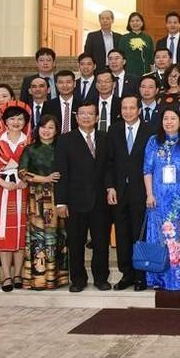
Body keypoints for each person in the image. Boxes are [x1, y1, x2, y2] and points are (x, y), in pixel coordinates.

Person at [54, 101, 111, 292]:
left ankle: (101, 278)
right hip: (74, 201)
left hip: (101, 201)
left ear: (97, 117)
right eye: (82, 113)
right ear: (76, 117)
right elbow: (61, 172)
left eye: (90, 113)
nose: (86, 117)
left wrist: (110, 188)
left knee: (101, 242)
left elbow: (109, 167)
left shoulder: (105, 138)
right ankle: (78, 279)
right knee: (76, 242)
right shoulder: (65, 140)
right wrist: (60, 202)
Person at [106, 96, 156, 291]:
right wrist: (110, 186)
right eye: (124, 108)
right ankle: (126, 274)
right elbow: (109, 161)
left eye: (131, 108)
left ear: (139, 110)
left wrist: (152, 192)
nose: (128, 111)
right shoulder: (114, 130)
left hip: (142, 191)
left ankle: (140, 276)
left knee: (140, 234)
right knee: (122, 234)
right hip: (119, 192)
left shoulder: (150, 130)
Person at [142, 108, 180, 291]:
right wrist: (149, 194)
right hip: (158, 200)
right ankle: (158, 278)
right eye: (166, 118)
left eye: (173, 118)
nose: (169, 122)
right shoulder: (153, 141)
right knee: (159, 238)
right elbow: (147, 170)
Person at [19, 114, 68, 290]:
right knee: (38, 238)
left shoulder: (61, 148)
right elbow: (22, 173)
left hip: (58, 198)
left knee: (57, 237)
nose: (46, 131)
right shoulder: (30, 149)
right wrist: (44, 178)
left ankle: (56, 278)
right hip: (37, 199)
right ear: (37, 128)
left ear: (56, 131)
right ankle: (38, 279)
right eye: (43, 127)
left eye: (50, 127)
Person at [0, 102, 30, 291]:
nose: (16, 122)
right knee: (3, 232)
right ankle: (6, 275)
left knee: (21, 232)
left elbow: (38, 166)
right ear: (5, 121)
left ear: (25, 122)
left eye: (20, 118)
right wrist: (0, 181)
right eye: (12, 118)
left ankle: (18, 274)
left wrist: (27, 180)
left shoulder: (30, 142)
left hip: (23, 190)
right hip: (1, 191)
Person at [118, 12, 154, 77]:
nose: (135, 23)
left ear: (142, 23)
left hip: (145, 72)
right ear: (129, 23)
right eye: (132, 21)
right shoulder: (124, 38)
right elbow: (120, 56)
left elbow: (151, 58)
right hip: (129, 72)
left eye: (137, 20)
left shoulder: (148, 38)